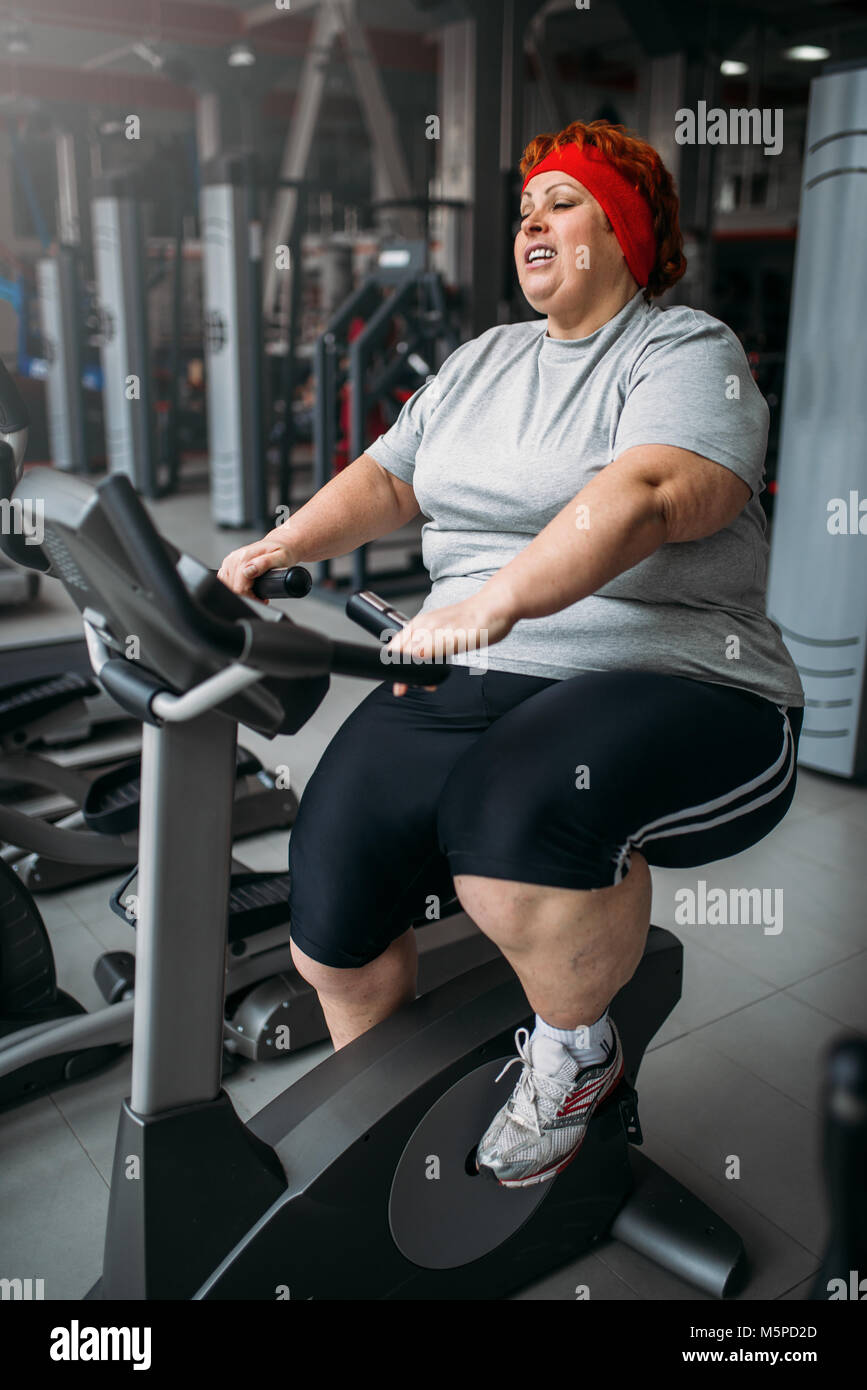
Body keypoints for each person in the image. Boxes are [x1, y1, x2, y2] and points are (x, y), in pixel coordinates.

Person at [219, 120, 804, 1189]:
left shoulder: (686, 353)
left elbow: (650, 496)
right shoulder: (482, 359)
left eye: (563, 201)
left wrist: (494, 602)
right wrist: (281, 543)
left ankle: (577, 1056)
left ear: (623, 232)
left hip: (675, 672)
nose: (531, 219)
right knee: (333, 876)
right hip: (477, 669)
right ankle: (383, 1125)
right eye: (525, 205)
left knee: (516, 811)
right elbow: (393, 477)